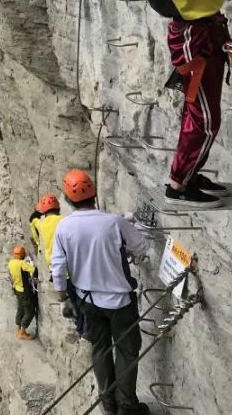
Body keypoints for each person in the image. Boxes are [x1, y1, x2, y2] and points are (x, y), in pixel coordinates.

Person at [61, 0, 231, 208]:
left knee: (199, 113)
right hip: (191, 38)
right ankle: (178, 185)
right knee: (206, 119)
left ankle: (191, 174)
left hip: (211, 31)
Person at [50, 169, 150, 415]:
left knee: (100, 350)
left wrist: (63, 297)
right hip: (120, 302)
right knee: (127, 351)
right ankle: (127, 406)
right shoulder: (115, 222)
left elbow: (58, 268)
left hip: (88, 301)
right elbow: (141, 246)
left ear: (68, 198)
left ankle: (109, 405)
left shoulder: (64, 228)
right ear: (94, 193)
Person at [7, 244, 37, 340]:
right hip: (24, 291)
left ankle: (18, 330)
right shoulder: (21, 264)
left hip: (16, 289)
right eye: (23, 253)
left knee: (20, 309)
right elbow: (33, 270)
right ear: (21, 255)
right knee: (30, 312)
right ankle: (22, 332)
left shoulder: (10, 263)